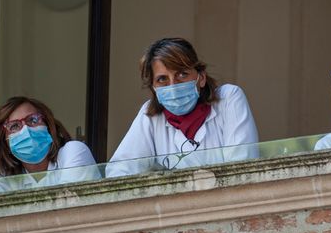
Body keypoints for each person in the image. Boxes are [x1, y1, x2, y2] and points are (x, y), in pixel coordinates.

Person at [106, 37, 259, 177]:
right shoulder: (150, 117)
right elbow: (118, 172)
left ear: (201, 78)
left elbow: (242, 170)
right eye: (162, 79)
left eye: (182, 74)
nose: (173, 86)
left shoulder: (228, 99)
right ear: (153, 88)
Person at [0, 96, 101, 194]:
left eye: (32, 120)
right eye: (14, 126)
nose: (26, 130)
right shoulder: (4, 184)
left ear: (48, 126)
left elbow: (68, 207)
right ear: (5, 143)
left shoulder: (73, 151)